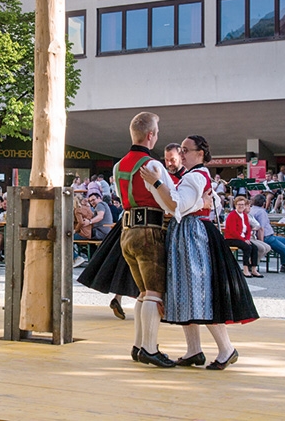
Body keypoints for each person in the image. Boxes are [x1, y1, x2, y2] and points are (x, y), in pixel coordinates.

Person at [142, 134, 258, 370]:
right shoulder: (194, 176)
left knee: (199, 292)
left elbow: (176, 205)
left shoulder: (195, 176)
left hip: (193, 235)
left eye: (186, 149)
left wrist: (156, 182)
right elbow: (201, 202)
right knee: (188, 291)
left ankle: (226, 349)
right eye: (182, 149)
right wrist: (200, 203)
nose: (181, 153)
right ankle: (195, 350)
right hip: (189, 233)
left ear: (200, 153)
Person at [85, 112, 184, 365]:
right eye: (157, 133)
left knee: (142, 292)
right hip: (149, 230)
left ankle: (139, 346)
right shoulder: (153, 166)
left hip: (126, 230)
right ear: (150, 136)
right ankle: (149, 349)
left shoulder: (118, 166)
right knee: (153, 292)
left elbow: (121, 196)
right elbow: (170, 203)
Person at [223, 196, 263, 278]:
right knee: (247, 247)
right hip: (232, 238)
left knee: (254, 247)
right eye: (239, 204)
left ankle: (254, 269)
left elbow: (248, 229)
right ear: (235, 205)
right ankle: (245, 269)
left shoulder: (244, 215)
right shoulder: (232, 215)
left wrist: (247, 238)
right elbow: (233, 231)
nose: (241, 206)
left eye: (242, 204)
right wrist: (244, 240)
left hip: (242, 237)